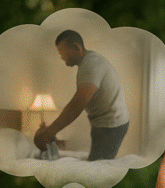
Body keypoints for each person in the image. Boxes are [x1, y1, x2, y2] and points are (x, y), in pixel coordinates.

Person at [33, 30, 130, 161]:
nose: (61, 56)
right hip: (106, 124)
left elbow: (79, 103)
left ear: (76, 47)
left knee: (97, 170)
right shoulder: (89, 62)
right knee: (95, 163)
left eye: (62, 51)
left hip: (110, 125)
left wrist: (49, 132)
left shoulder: (91, 64)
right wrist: (51, 132)